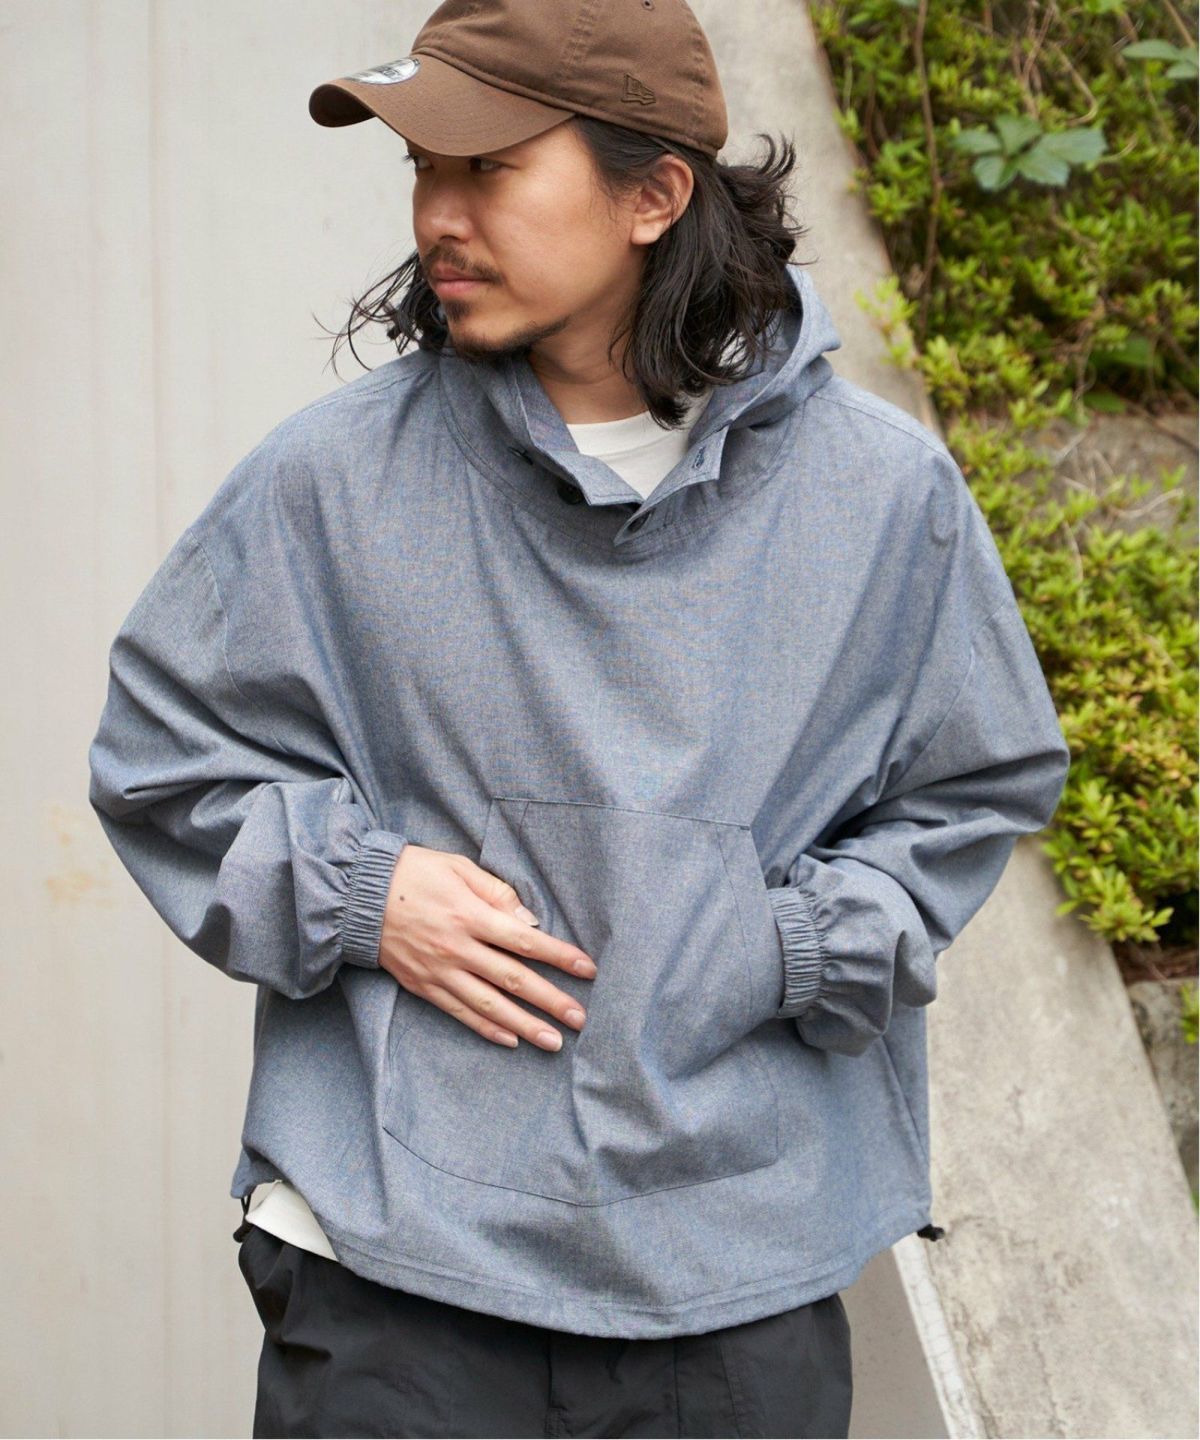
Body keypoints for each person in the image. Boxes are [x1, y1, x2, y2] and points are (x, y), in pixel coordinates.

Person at [86, 1, 1072, 1435]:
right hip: (391, 1267)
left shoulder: (879, 495)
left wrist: (794, 940)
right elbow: (163, 758)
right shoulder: (332, 480)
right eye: (423, 168)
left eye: (487, 167)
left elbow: (972, 786)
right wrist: (366, 894)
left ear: (653, 194)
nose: (437, 214)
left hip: (734, 1269)